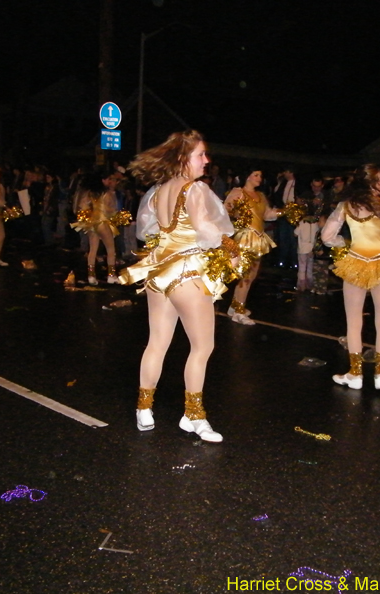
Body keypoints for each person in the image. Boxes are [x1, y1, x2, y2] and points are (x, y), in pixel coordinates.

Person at [120, 130, 239, 442]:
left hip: (160, 273)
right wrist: (231, 247)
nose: (206, 160)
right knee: (202, 347)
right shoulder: (195, 189)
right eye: (200, 155)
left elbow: (147, 231)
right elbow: (206, 232)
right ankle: (194, 415)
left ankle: (143, 409)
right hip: (187, 273)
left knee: (157, 342)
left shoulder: (159, 190)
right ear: (183, 158)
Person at [321, 164, 380, 390]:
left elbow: (327, 236)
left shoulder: (346, 206)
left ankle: (356, 374)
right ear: (369, 181)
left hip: (354, 263)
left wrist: (343, 244)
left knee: (354, 321)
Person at [224, 168, 279, 325]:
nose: (259, 178)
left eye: (260, 175)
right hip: (245, 238)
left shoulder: (260, 195)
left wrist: (284, 212)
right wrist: (236, 216)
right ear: (247, 176)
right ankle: (239, 311)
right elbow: (224, 211)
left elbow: (267, 215)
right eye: (256, 175)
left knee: (251, 276)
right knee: (246, 276)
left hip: (258, 239)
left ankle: (235, 307)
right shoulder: (238, 192)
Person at [72, 172, 120, 284]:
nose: (110, 182)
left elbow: (81, 207)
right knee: (111, 250)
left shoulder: (89, 194)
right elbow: (112, 210)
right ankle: (111, 276)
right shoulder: (107, 194)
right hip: (103, 223)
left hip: (91, 223)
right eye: (109, 179)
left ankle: (91, 276)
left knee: (92, 250)